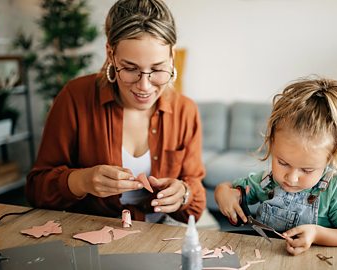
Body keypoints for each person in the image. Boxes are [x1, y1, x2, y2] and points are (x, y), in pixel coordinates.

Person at [26, 0, 206, 223]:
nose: (145, 86)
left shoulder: (185, 111)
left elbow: (196, 203)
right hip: (90, 230)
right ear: (110, 54)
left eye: (158, 69)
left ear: (171, 56)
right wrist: (81, 181)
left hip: (160, 233)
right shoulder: (75, 97)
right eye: (130, 69)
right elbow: (36, 190)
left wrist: (184, 194)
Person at [214, 76, 337, 255]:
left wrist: (317, 234)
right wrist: (222, 193)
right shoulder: (267, 181)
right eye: (283, 163)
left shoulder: (335, 191)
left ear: (330, 157)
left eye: (307, 170)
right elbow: (229, 189)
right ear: (272, 143)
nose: (291, 178)